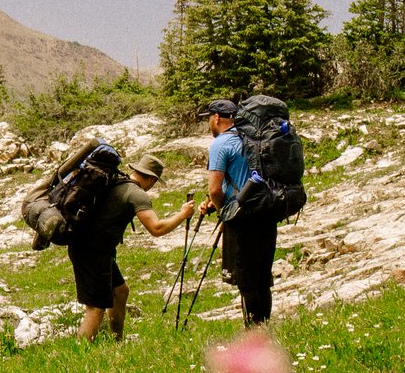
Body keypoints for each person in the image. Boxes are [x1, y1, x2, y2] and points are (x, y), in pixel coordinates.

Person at [69, 156, 190, 342]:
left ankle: (117, 341)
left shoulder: (117, 181)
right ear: (151, 178)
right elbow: (156, 228)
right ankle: (80, 352)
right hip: (93, 251)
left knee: (120, 291)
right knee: (96, 308)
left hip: (91, 247)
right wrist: (182, 214)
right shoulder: (136, 193)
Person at [195, 98, 276, 326]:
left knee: (246, 280)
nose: (209, 123)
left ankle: (254, 331)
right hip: (266, 212)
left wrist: (222, 209)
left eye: (209, 118)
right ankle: (265, 327)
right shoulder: (253, 138)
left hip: (241, 218)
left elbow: (214, 188)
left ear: (217, 118)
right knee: (262, 277)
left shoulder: (221, 144)